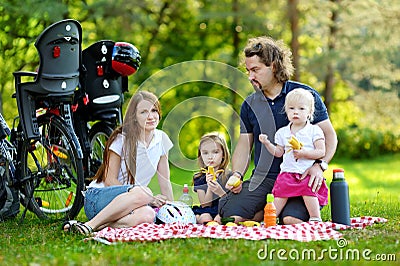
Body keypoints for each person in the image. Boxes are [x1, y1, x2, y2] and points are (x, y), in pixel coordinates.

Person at [218, 36, 337, 224]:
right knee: (231, 216)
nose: (250, 77)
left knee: (290, 219)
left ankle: (274, 213)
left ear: (273, 66)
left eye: (255, 70)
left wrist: (319, 166)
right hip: (264, 178)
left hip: (301, 177)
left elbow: (329, 137)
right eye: (248, 71)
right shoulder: (250, 103)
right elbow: (243, 145)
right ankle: (261, 212)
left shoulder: (304, 96)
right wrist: (237, 174)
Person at [63, 91, 174, 235]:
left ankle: (87, 227)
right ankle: (90, 225)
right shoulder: (122, 139)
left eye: (154, 110)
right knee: (145, 192)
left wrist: (173, 211)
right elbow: (109, 181)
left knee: (148, 215)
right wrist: (147, 197)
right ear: (134, 117)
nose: (151, 116)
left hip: (128, 205)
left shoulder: (162, 139)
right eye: (144, 112)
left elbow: (165, 183)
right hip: (98, 199)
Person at [259, 88, 328, 222]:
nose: (296, 112)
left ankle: (315, 218)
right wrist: (267, 143)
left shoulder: (314, 130)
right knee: (279, 194)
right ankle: (270, 219)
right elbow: (279, 152)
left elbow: (321, 151)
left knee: (309, 192)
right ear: (286, 111)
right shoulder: (282, 132)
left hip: (305, 173)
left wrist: (305, 154)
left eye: (301, 109)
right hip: (287, 172)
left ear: (309, 112)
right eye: (291, 108)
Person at [192, 132, 231, 224]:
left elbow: (231, 202)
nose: (210, 157)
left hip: (224, 208)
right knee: (204, 218)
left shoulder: (229, 176)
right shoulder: (199, 178)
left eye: (215, 152)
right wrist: (209, 186)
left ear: (223, 154)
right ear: (201, 156)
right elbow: (205, 205)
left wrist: (219, 191)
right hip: (207, 210)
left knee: (220, 218)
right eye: (205, 153)